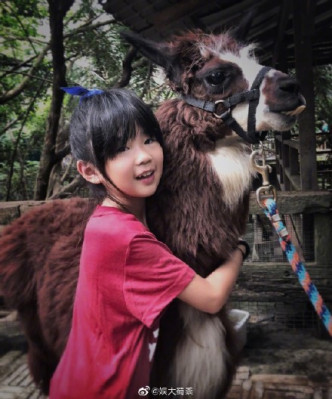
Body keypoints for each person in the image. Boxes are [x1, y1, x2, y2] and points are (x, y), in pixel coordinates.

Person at [49, 87, 249, 399]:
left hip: (89, 377)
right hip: (108, 389)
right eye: (120, 149)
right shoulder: (124, 238)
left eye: (148, 140)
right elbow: (211, 297)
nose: (143, 156)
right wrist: (239, 249)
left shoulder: (108, 220)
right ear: (89, 171)